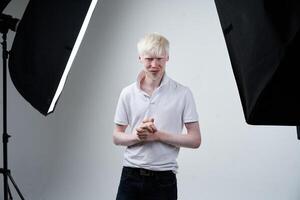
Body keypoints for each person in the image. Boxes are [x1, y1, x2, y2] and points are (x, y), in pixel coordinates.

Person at [113, 32, 201, 200]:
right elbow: (116, 137)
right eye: (149, 59)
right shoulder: (127, 93)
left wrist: (158, 136)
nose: (154, 64)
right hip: (130, 175)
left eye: (159, 58)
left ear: (167, 57)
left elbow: (195, 140)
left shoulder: (183, 93)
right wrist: (138, 136)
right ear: (140, 58)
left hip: (164, 179)